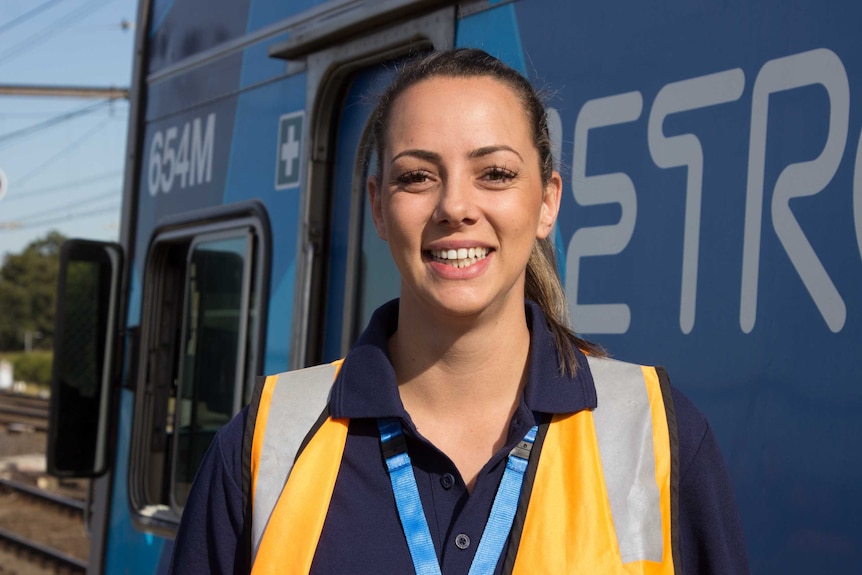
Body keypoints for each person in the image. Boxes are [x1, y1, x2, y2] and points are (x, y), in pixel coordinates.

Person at [169, 49, 749, 574]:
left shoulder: (657, 436)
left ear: (547, 202)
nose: (454, 206)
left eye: (494, 174)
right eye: (417, 176)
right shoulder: (265, 445)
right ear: (377, 206)